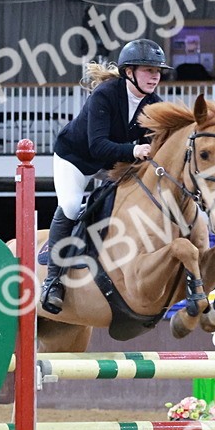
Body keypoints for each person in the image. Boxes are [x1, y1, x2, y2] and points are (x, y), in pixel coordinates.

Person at [40, 38, 171, 314]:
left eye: (158, 71)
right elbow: (96, 146)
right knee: (72, 206)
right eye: (149, 70)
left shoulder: (154, 105)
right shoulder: (106, 95)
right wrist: (134, 149)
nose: (155, 76)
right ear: (129, 72)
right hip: (76, 159)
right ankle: (53, 281)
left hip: (113, 163)